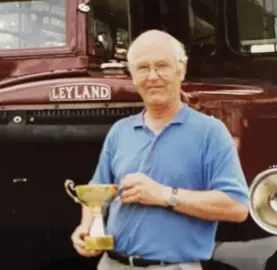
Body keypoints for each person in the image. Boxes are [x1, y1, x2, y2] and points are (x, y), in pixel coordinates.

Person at [70, 29, 250, 270]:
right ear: (132, 76)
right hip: (112, 265)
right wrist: (85, 228)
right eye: (143, 68)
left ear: (181, 70)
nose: (153, 76)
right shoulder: (120, 131)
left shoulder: (210, 132)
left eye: (162, 66)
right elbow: (96, 193)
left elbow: (237, 207)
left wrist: (165, 195)